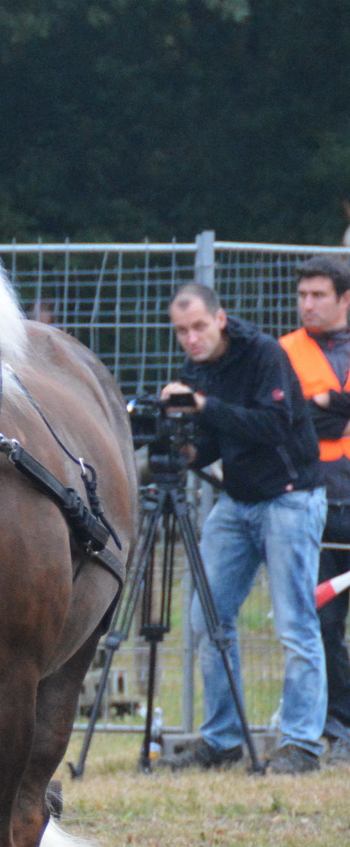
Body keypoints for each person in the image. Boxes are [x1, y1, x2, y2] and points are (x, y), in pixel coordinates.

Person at [156, 283, 327, 774]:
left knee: (295, 624)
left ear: (220, 319)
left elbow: (274, 425)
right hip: (238, 500)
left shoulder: (265, 354)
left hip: (289, 499)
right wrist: (184, 452)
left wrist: (203, 407)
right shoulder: (198, 370)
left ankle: (301, 744)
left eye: (198, 327)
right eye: (181, 331)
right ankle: (222, 738)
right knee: (207, 617)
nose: (191, 339)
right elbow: (217, 438)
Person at [278, 256, 350, 764]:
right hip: (319, 500)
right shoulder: (284, 352)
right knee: (322, 621)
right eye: (302, 295)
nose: (308, 304)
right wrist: (325, 407)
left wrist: (327, 404)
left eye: (318, 295)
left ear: (345, 300)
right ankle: (337, 725)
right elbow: (289, 418)